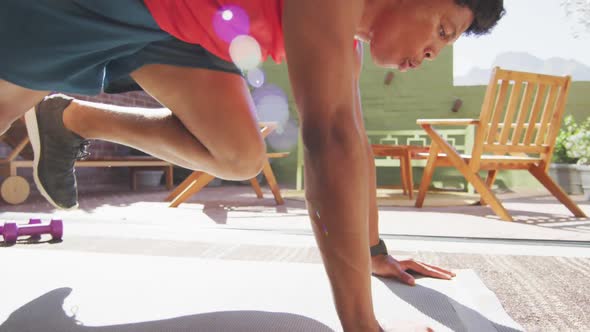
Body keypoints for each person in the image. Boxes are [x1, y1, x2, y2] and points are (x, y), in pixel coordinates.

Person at [0, 0, 504, 330]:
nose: (432, 51)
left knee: (239, 155)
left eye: (445, 44)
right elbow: (326, 139)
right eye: (441, 28)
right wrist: (362, 325)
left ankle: (73, 119)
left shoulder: (345, 43)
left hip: (186, 33)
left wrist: (373, 250)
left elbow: (351, 141)